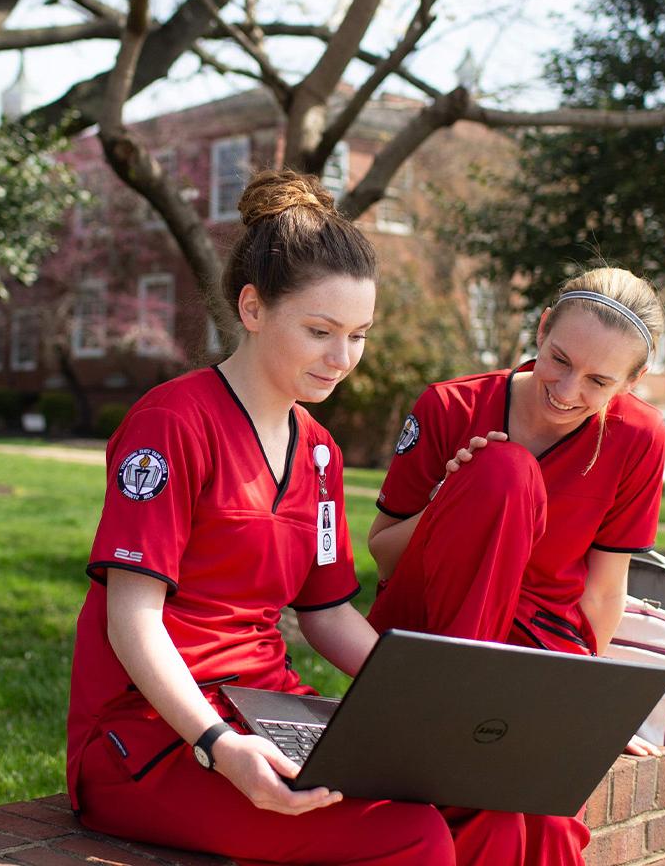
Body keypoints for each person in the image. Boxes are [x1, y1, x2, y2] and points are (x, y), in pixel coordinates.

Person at [66, 170, 523, 865]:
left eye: (358, 335)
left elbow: (327, 613)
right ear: (252, 309)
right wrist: (216, 745)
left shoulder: (318, 452)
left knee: (483, 802)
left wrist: (434, 708)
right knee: (412, 836)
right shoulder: (171, 422)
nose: (342, 359)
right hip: (151, 735)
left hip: (270, 707)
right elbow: (131, 617)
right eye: (319, 331)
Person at [366, 266, 665, 866]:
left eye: (598, 380)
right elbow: (381, 552)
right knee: (503, 470)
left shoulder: (639, 438)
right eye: (559, 359)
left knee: (538, 828)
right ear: (541, 329)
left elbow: (605, 592)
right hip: (431, 632)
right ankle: (459, 718)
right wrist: (448, 499)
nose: (566, 388)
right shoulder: (451, 406)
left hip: (537, 651)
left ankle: (478, 741)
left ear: (632, 383)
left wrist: (583, 713)